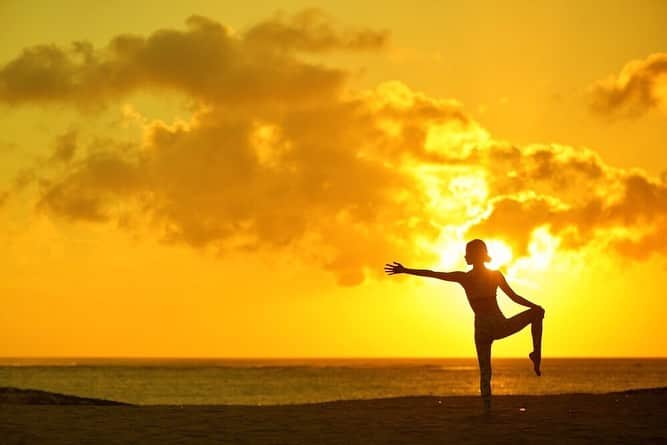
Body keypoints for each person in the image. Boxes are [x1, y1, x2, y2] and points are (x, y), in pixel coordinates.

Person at [384, 239, 544, 410]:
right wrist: (535, 307)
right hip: (498, 325)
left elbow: (434, 273)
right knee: (538, 313)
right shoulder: (493, 275)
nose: (465, 256)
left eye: (467, 253)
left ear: (473, 256)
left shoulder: (465, 278)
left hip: (481, 328)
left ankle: (487, 408)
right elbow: (515, 298)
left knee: (485, 371)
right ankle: (536, 354)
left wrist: (405, 270)